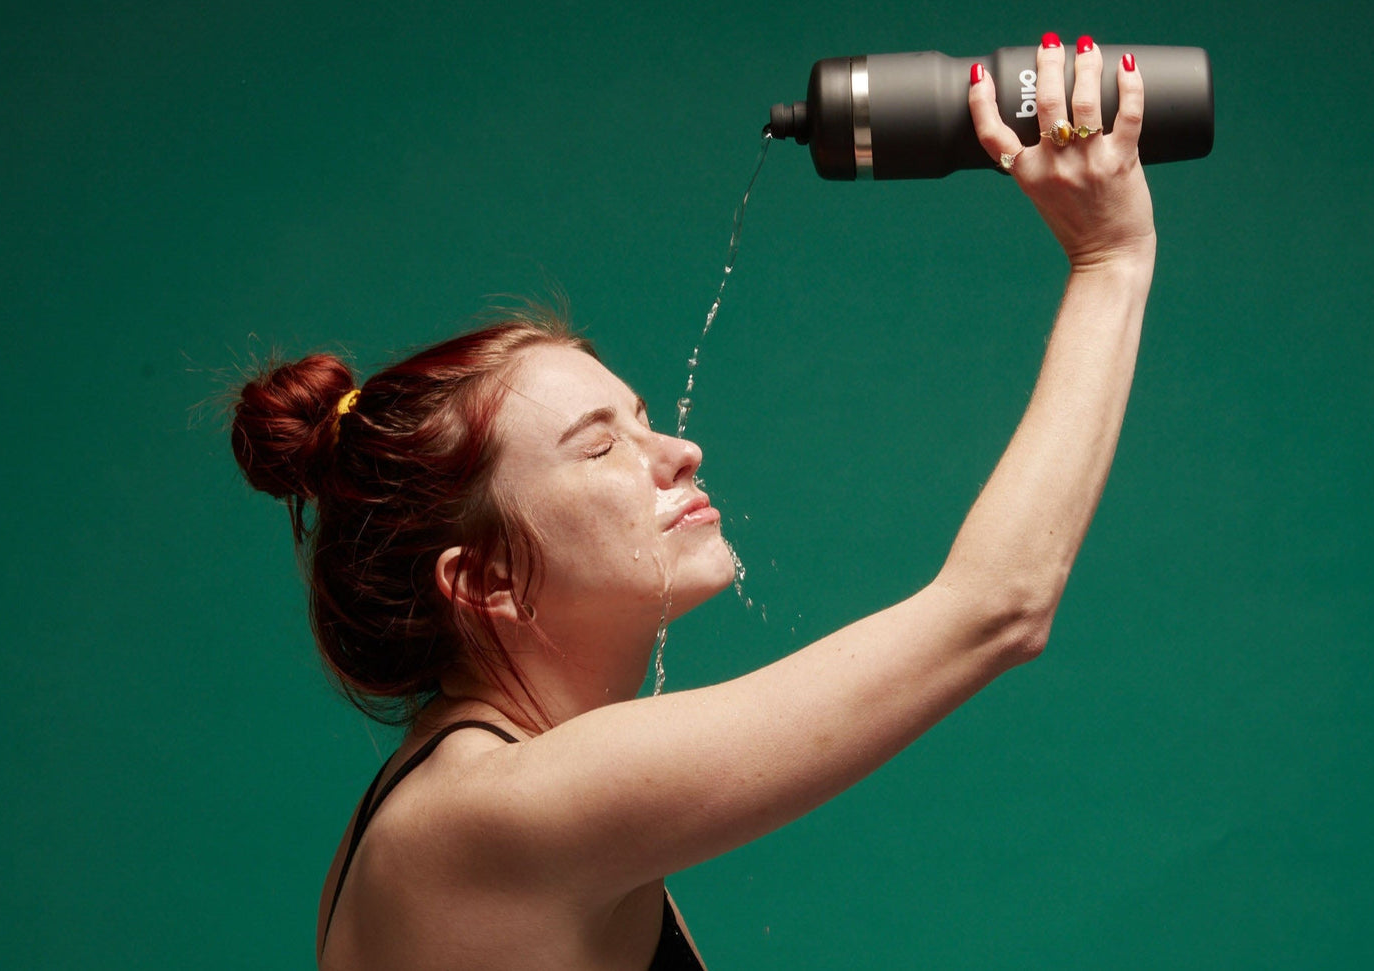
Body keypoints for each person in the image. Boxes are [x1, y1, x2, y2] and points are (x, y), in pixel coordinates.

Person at [231, 34, 1155, 971]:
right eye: (601, 445)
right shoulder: (506, 809)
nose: (678, 451)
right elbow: (999, 605)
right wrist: (1109, 258)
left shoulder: (474, 794)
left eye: (641, 417)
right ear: (485, 578)